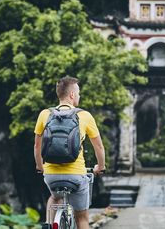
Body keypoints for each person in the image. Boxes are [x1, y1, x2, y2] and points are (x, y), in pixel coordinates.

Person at [33, 76, 106, 229]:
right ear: (72, 95)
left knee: (54, 197)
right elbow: (99, 147)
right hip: (76, 175)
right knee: (82, 219)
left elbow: (37, 147)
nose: (79, 96)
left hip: (51, 176)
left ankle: (49, 223)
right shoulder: (84, 116)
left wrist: (40, 166)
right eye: (78, 92)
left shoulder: (44, 114)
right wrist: (100, 166)